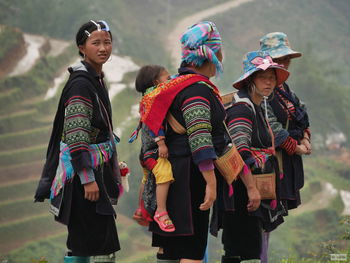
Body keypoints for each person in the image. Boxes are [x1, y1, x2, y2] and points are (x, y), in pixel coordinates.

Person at [140, 21, 253, 263]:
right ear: (209, 54)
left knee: (172, 250)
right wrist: (210, 183)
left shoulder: (175, 87)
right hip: (191, 179)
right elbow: (200, 138)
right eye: (219, 50)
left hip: (173, 175)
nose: (222, 56)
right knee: (191, 251)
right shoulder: (196, 91)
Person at [34, 20, 121, 263]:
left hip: (92, 171)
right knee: (87, 241)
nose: (103, 48)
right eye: (96, 43)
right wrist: (88, 177)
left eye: (107, 42)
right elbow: (76, 135)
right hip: (83, 178)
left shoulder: (95, 79)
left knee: (91, 241)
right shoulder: (82, 85)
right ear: (82, 47)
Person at [221, 51, 290, 263]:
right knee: (244, 249)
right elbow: (240, 150)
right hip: (243, 191)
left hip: (249, 190)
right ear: (250, 79)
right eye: (263, 77)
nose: (269, 82)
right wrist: (251, 188)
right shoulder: (242, 107)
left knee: (243, 248)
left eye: (272, 78)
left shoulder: (257, 105)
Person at [259, 32, 311, 262]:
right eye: (278, 61)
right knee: (264, 217)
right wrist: (295, 147)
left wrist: (306, 138)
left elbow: (302, 116)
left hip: (286, 162)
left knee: (272, 218)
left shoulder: (286, 92)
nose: (284, 65)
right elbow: (272, 126)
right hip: (269, 165)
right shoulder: (263, 93)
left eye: (286, 60)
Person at [131, 64, 175, 232]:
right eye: (167, 77)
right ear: (157, 82)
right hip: (153, 152)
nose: (170, 80)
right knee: (164, 173)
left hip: (145, 153)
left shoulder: (146, 97)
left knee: (146, 178)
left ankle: (141, 208)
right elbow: (155, 123)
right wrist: (161, 143)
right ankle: (161, 211)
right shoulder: (154, 98)